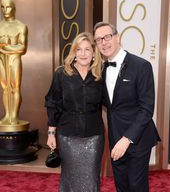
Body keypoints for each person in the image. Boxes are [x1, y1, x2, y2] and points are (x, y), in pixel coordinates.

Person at [94, 22, 161, 192]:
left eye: (107, 37)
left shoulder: (141, 66)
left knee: (137, 186)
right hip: (115, 138)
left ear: (118, 37)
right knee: (121, 186)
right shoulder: (100, 71)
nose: (104, 42)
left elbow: (146, 108)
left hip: (137, 138)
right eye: (98, 39)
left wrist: (127, 139)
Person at [45, 32, 104, 192]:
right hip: (68, 135)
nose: (83, 53)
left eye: (87, 49)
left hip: (94, 136)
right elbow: (52, 103)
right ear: (74, 52)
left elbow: (111, 102)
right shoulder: (62, 73)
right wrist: (51, 133)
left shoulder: (100, 75)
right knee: (70, 177)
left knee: (91, 178)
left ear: (94, 53)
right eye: (79, 49)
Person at [0, 0, 28, 125]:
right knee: (5, 88)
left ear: (14, 8)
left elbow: (22, 47)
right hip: (2, 60)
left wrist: (5, 48)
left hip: (14, 60)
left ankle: (14, 116)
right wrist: (8, 49)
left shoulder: (21, 26)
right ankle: (7, 115)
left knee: (15, 87)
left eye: (8, 7)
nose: (5, 10)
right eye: (2, 7)